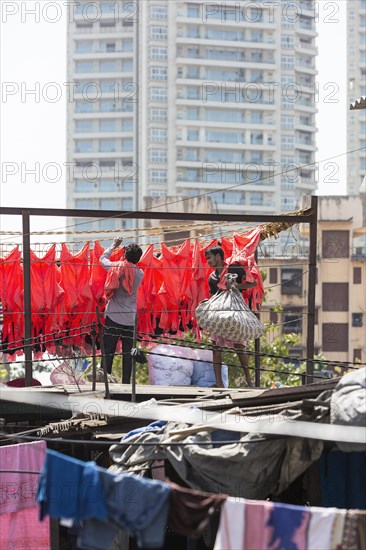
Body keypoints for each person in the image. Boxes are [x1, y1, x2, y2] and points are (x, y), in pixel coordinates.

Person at [204, 245, 257, 388]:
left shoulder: (234, 269)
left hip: (234, 312)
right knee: (216, 346)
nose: (208, 261)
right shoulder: (212, 278)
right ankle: (219, 383)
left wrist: (234, 287)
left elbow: (253, 283)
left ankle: (249, 381)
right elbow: (212, 296)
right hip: (219, 314)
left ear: (218, 257)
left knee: (239, 346)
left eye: (209, 258)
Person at [100, 237, 143, 383]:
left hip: (113, 315)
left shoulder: (115, 267)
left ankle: (105, 379)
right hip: (130, 318)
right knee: (128, 352)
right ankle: (126, 382)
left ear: (124, 255)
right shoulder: (140, 274)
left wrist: (114, 245)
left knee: (108, 349)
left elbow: (102, 259)